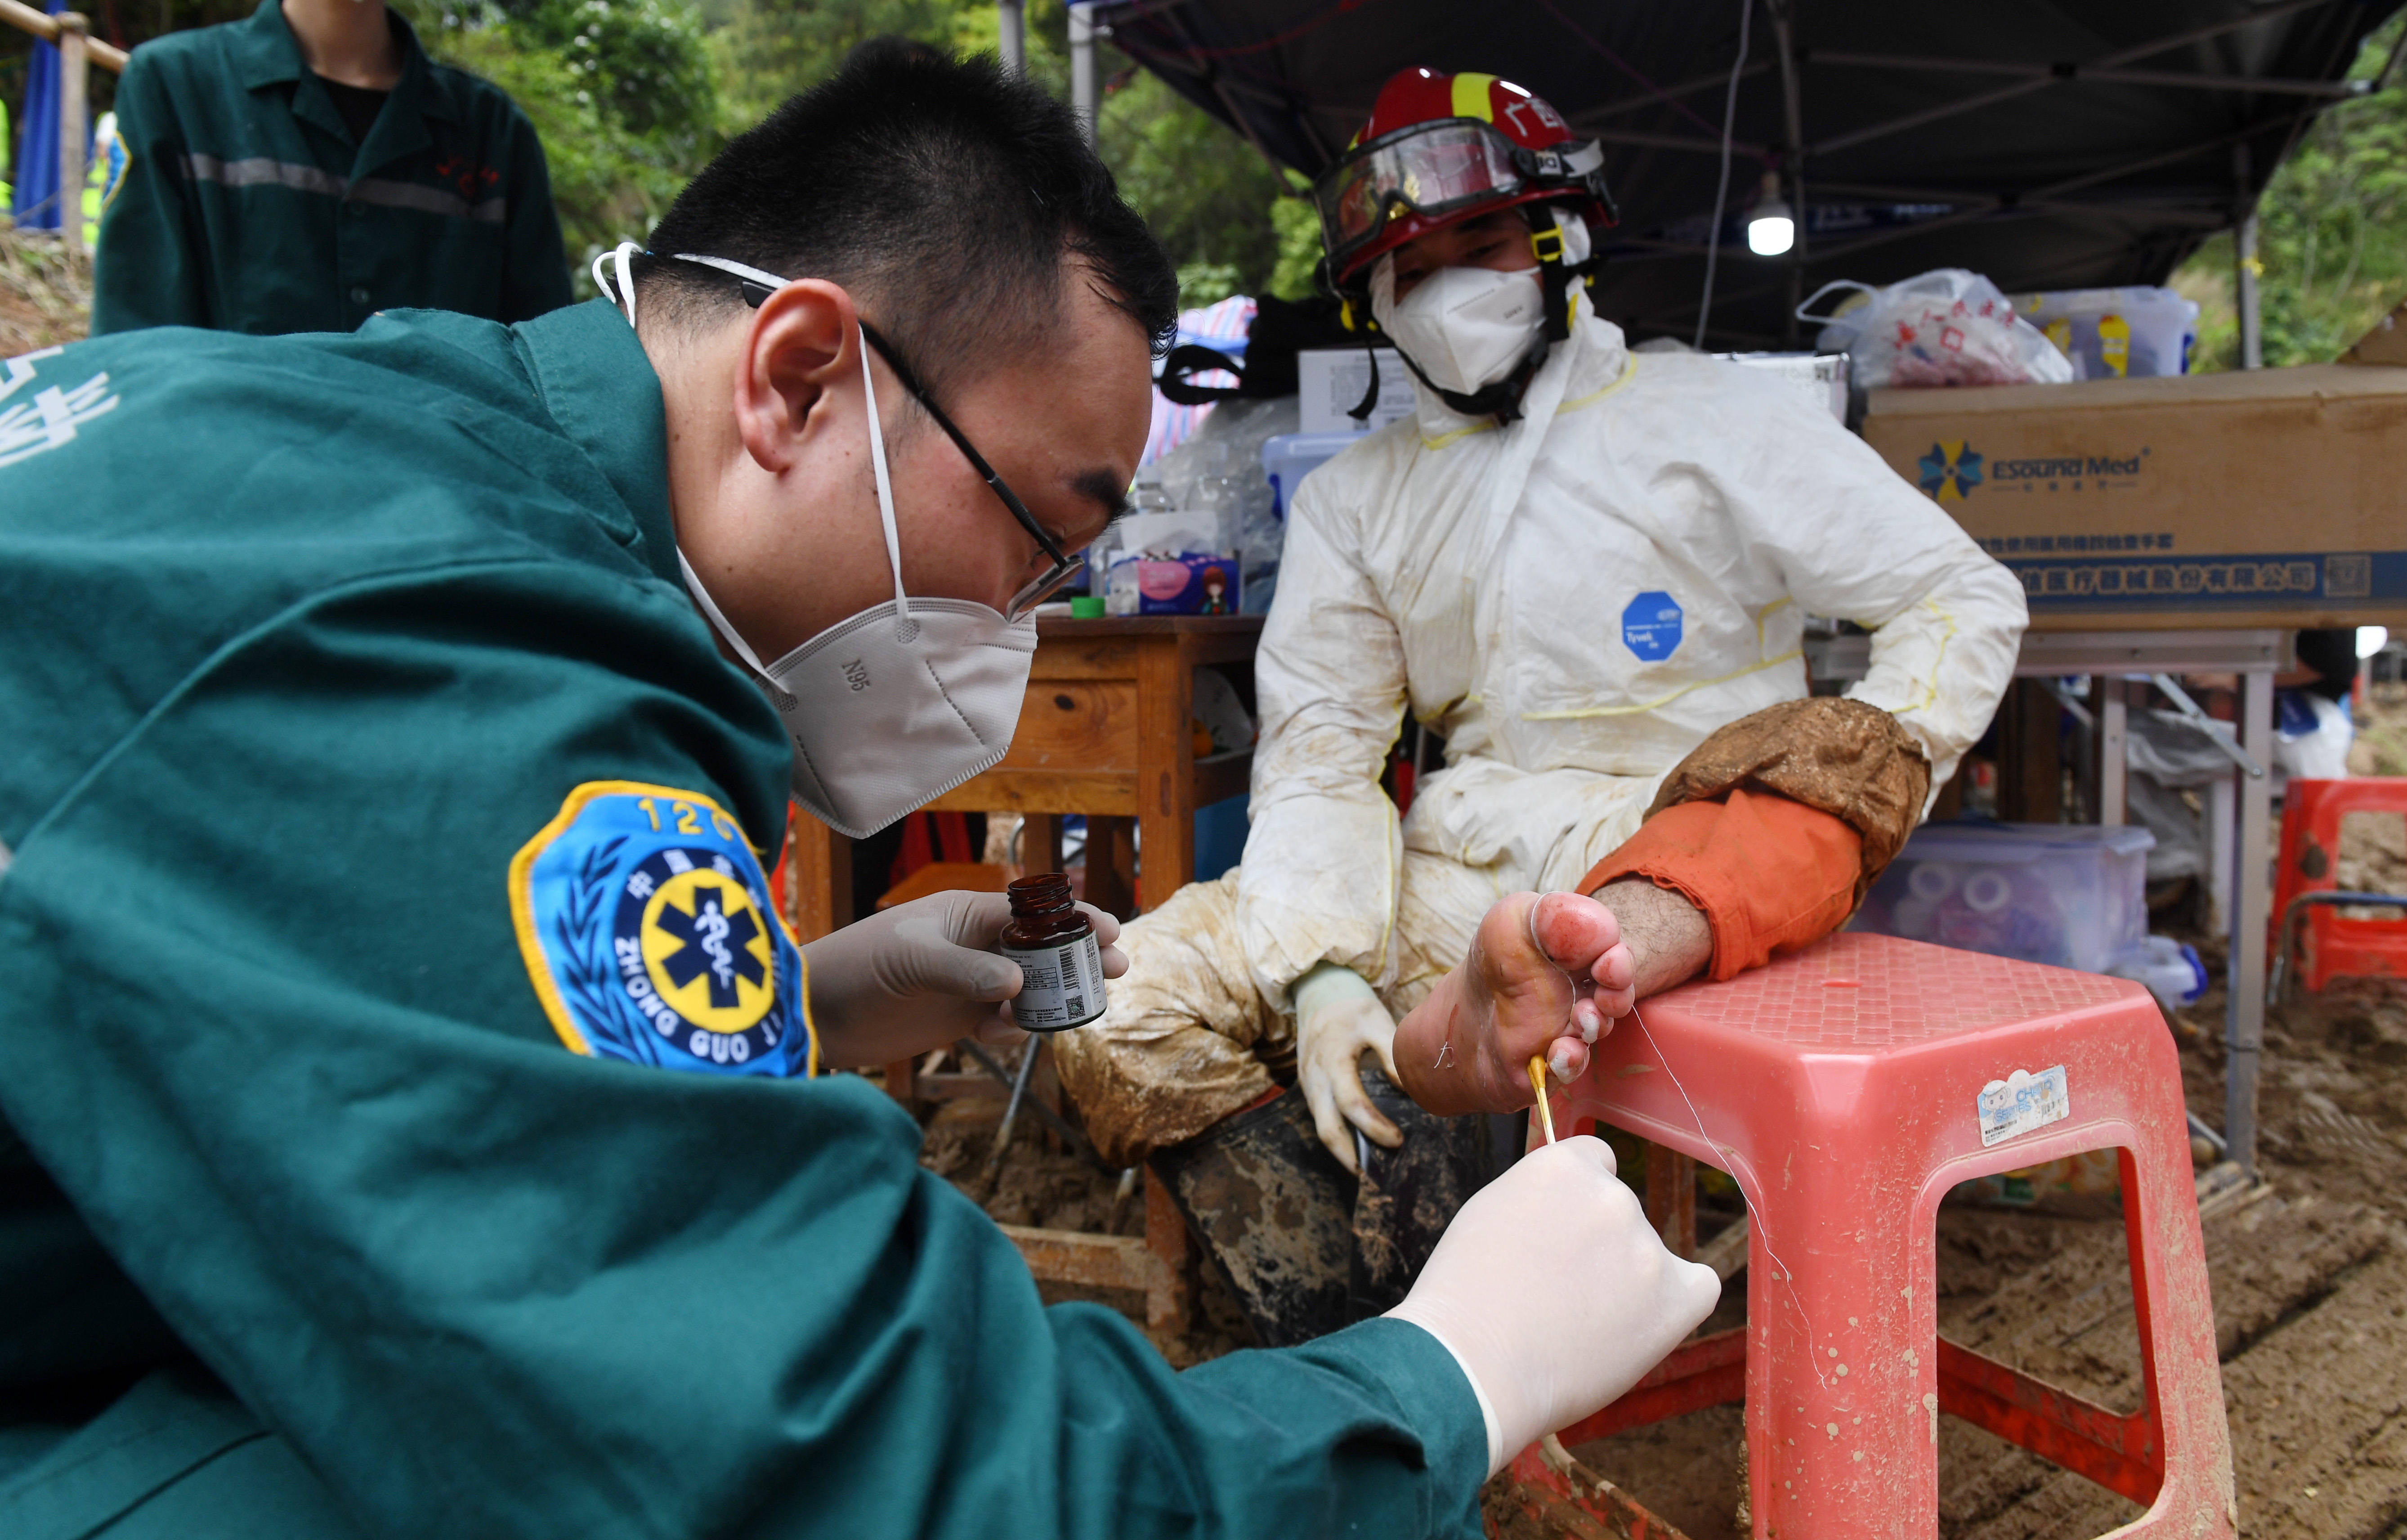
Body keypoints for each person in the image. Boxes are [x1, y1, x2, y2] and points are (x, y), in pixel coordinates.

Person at [0, 49, 1717, 1536]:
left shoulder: (339, 433)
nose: (1025, 631)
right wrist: (1443, 1375)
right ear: (798, 375)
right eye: (1040, 537)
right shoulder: (480, 656)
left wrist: (796, 1010)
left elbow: (311, 976)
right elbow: (833, 1461)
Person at [1051, 67, 2028, 1319]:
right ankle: (1340, 1318)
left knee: (1813, 763)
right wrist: (1321, 974)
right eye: (1413, 267)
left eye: (1483, 239)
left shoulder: (1713, 417)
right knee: (1114, 1009)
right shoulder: (1360, 499)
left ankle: (1455, 1313)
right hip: (1454, 865)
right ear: (1373, 309)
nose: (1452, 284)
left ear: (1559, 239)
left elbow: (1959, 597)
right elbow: (1323, 752)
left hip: (1672, 859)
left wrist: (1855, 780)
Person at [90, 0, 570, 335]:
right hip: (235, 472)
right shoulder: (174, 89)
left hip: (442, 478)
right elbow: (134, 344)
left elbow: (541, 364)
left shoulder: (493, 132)